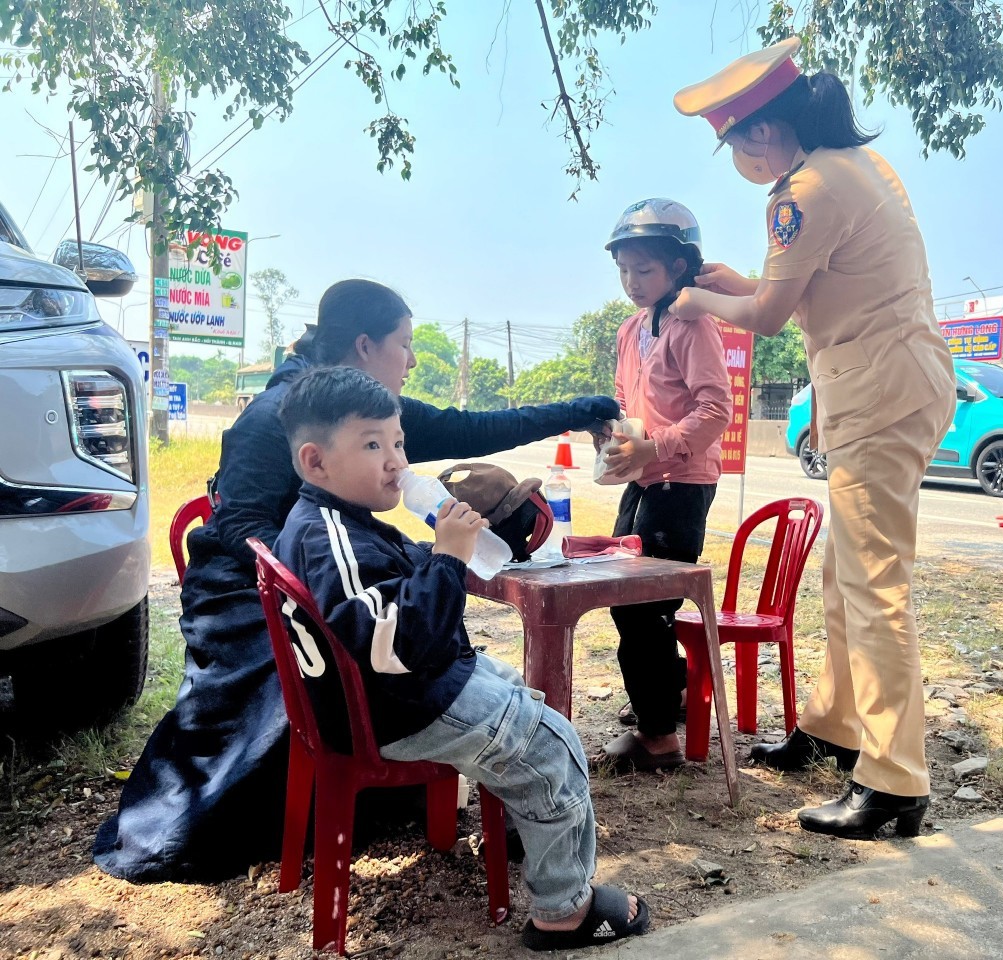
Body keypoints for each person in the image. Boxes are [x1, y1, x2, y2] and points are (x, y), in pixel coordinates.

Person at [94, 279, 621, 883]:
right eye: (405, 343)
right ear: (366, 345)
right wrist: (306, 598)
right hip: (246, 597)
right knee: (357, 670)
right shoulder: (287, 418)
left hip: (334, 586)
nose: (414, 360)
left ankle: (455, 789)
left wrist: (581, 411)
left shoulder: (370, 417)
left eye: (395, 442)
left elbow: (470, 429)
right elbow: (239, 524)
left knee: (431, 656)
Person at [669, 39, 956, 840]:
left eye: (733, 148)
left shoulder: (803, 192)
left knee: (874, 587)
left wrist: (697, 299)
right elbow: (810, 289)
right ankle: (834, 727)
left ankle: (895, 781)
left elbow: (767, 315)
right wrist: (738, 284)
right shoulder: (857, 168)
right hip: (897, 381)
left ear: (758, 135)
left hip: (879, 393)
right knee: (846, 575)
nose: (739, 164)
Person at [271, 365, 648, 950]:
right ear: (315, 462)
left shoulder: (330, 522)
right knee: (556, 749)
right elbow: (393, 646)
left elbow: (385, 589)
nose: (395, 459)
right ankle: (564, 910)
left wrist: (443, 550)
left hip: (387, 698)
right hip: (400, 706)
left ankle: (531, 814)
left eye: (397, 441)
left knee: (527, 700)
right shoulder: (329, 538)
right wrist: (446, 559)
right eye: (373, 444)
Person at [595, 199, 732, 772]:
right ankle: (669, 696)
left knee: (642, 605)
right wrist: (614, 433)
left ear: (679, 267)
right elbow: (629, 402)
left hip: (681, 483)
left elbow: (716, 409)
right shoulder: (632, 329)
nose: (631, 282)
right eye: (624, 270)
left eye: (644, 270)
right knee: (618, 594)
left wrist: (656, 447)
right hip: (645, 479)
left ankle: (658, 738)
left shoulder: (693, 326)